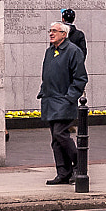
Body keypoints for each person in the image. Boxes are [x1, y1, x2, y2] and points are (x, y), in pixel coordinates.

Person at [38, 21, 88, 185]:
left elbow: (80, 78)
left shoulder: (73, 51)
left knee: (60, 134)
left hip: (63, 101)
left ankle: (79, 164)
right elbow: (47, 74)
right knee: (55, 139)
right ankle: (63, 172)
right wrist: (43, 91)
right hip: (50, 100)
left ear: (64, 34)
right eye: (50, 31)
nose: (51, 34)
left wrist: (69, 97)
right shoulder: (50, 51)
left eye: (55, 31)